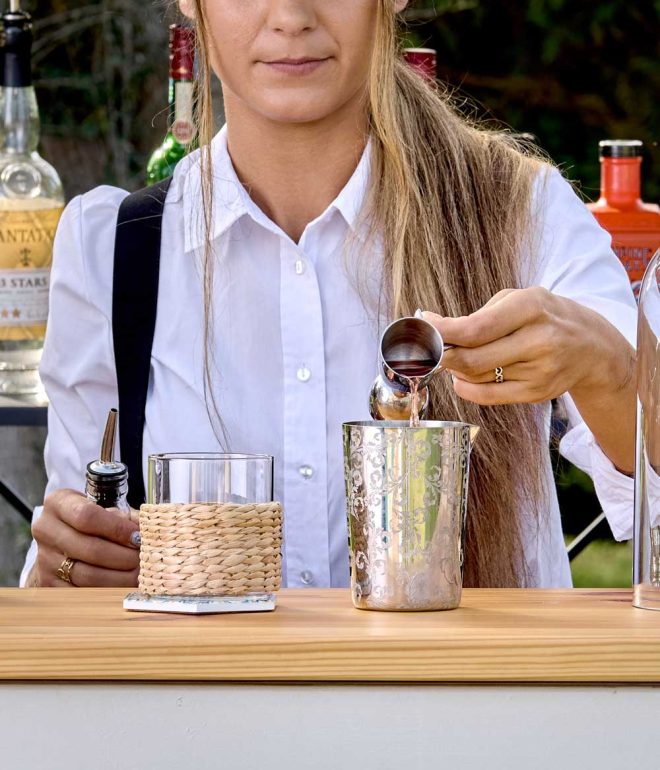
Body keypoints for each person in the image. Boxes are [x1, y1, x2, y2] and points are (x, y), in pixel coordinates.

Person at [21, 0, 637, 590]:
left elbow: (651, 497)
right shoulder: (113, 251)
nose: (291, 18)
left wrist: (611, 369)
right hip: (200, 697)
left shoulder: (522, 213)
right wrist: (66, 567)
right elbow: (72, 553)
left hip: (469, 694)